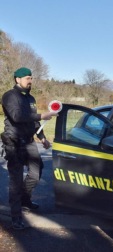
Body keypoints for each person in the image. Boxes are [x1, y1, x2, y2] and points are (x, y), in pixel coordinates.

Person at [1, 67, 58, 229]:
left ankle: (25, 200)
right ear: (17, 79)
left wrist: (43, 138)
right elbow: (17, 116)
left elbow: (34, 122)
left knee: (36, 171)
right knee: (16, 180)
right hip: (14, 142)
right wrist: (42, 115)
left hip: (29, 141)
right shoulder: (9, 96)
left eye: (31, 78)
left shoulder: (30, 98)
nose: (30, 80)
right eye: (27, 78)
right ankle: (16, 216)